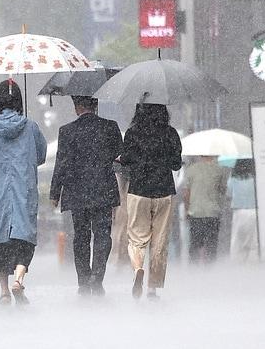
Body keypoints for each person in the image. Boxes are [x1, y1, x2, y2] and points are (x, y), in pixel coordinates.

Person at [0, 79, 48, 306]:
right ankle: (19, 279)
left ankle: (5, 291)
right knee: (23, 237)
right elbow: (41, 156)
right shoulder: (31, 127)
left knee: (0, 241)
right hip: (23, 192)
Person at [51, 96, 124, 295]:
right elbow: (120, 156)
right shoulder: (110, 127)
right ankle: (97, 277)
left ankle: (83, 281)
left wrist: (55, 193)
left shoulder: (66, 131)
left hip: (77, 192)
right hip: (103, 190)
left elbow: (61, 163)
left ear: (77, 107)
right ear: (96, 106)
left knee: (80, 237)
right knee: (102, 235)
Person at [118, 103, 183, 299]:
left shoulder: (133, 133)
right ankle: (153, 288)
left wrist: (126, 158)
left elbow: (126, 160)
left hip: (139, 191)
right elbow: (176, 163)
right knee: (159, 241)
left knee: (137, 238)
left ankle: (138, 267)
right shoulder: (170, 133)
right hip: (163, 191)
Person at [182, 154, 227, 264]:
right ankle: (209, 271)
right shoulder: (219, 169)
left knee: (195, 246)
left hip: (196, 213)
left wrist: (187, 210)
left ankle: (194, 271)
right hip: (212, 213)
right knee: (211, 245)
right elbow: (222, 190)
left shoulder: (191, 170)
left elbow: (186, 193)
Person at [228, 159, 258, 262]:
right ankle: (252, 265)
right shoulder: (256, 177)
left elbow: (228, 193)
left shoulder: (233, 177)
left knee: (237, 242)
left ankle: (238, 266)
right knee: (253, 243)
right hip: (254, 211)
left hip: (239, 212)